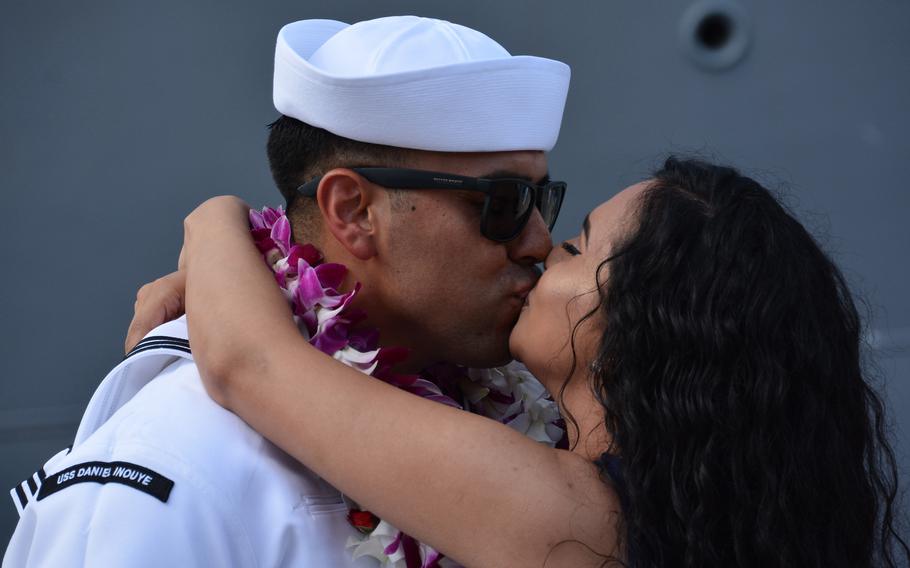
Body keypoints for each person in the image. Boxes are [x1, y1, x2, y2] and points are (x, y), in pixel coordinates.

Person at [129, 158, 909, 567]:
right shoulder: (683, 513)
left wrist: (216, 222)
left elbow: (248, 366)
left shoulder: (573, 520)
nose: (538, 246)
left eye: (575, 247)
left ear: (639, 321)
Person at [3, 15, 570, 567]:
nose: (540, 243)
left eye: (543, 201)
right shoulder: (177, 460)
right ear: (353, 212)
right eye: (504, 203)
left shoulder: (529, 407)